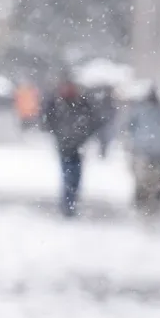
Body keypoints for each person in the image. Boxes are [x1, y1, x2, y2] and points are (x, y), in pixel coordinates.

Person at [45, 78, 100, 219]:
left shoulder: (81, 104)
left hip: (76, 145)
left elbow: (93, 121)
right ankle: (68, 202)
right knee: (68, 174)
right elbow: (48, 120)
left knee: (74, 175)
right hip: (66, 145)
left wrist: (82, 136)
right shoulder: (59, 104)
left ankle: (70, 201)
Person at [124, 87, 160, 213]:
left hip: (145, 148)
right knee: (156, 176)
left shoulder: (139, 111)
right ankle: (152, 198)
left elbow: (130, 128)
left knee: (143, 176)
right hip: (157, 149)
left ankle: (142, 198)